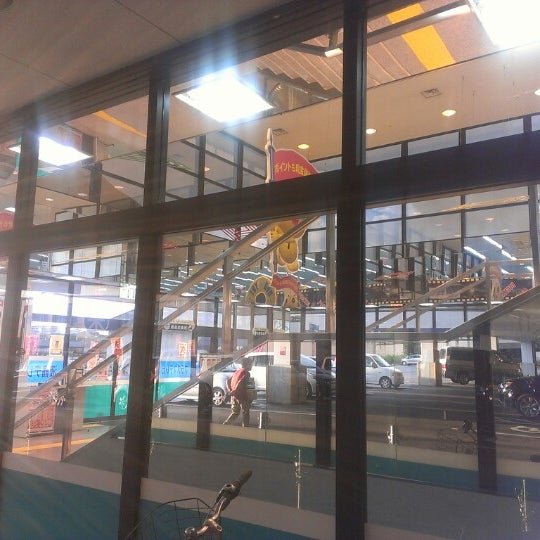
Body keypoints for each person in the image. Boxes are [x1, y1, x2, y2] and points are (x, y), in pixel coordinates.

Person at [223, 359, 252, 427]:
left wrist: (231, 391)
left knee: (235, 413)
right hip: (242, 396)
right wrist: (235, 391)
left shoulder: (236, 372)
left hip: (234, 396)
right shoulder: (246, 373)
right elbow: (240, 382)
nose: (251, 366)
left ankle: (225, 425)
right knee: (245, 412)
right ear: (246, 365)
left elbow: (228, 381)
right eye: (250, 364)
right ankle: (245, 429)